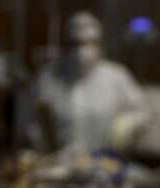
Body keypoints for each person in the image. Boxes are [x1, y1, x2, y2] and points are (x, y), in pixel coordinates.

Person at [34, 12, 146, 154]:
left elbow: (140, 112)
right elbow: (34, 122)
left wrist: (127, 125)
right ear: (65, 44)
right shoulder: (48, 77)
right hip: (58, 164)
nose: (82, 51)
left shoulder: (117, 77)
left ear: (100, 44)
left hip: (104, 163)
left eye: (90, 43)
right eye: (75, 43)